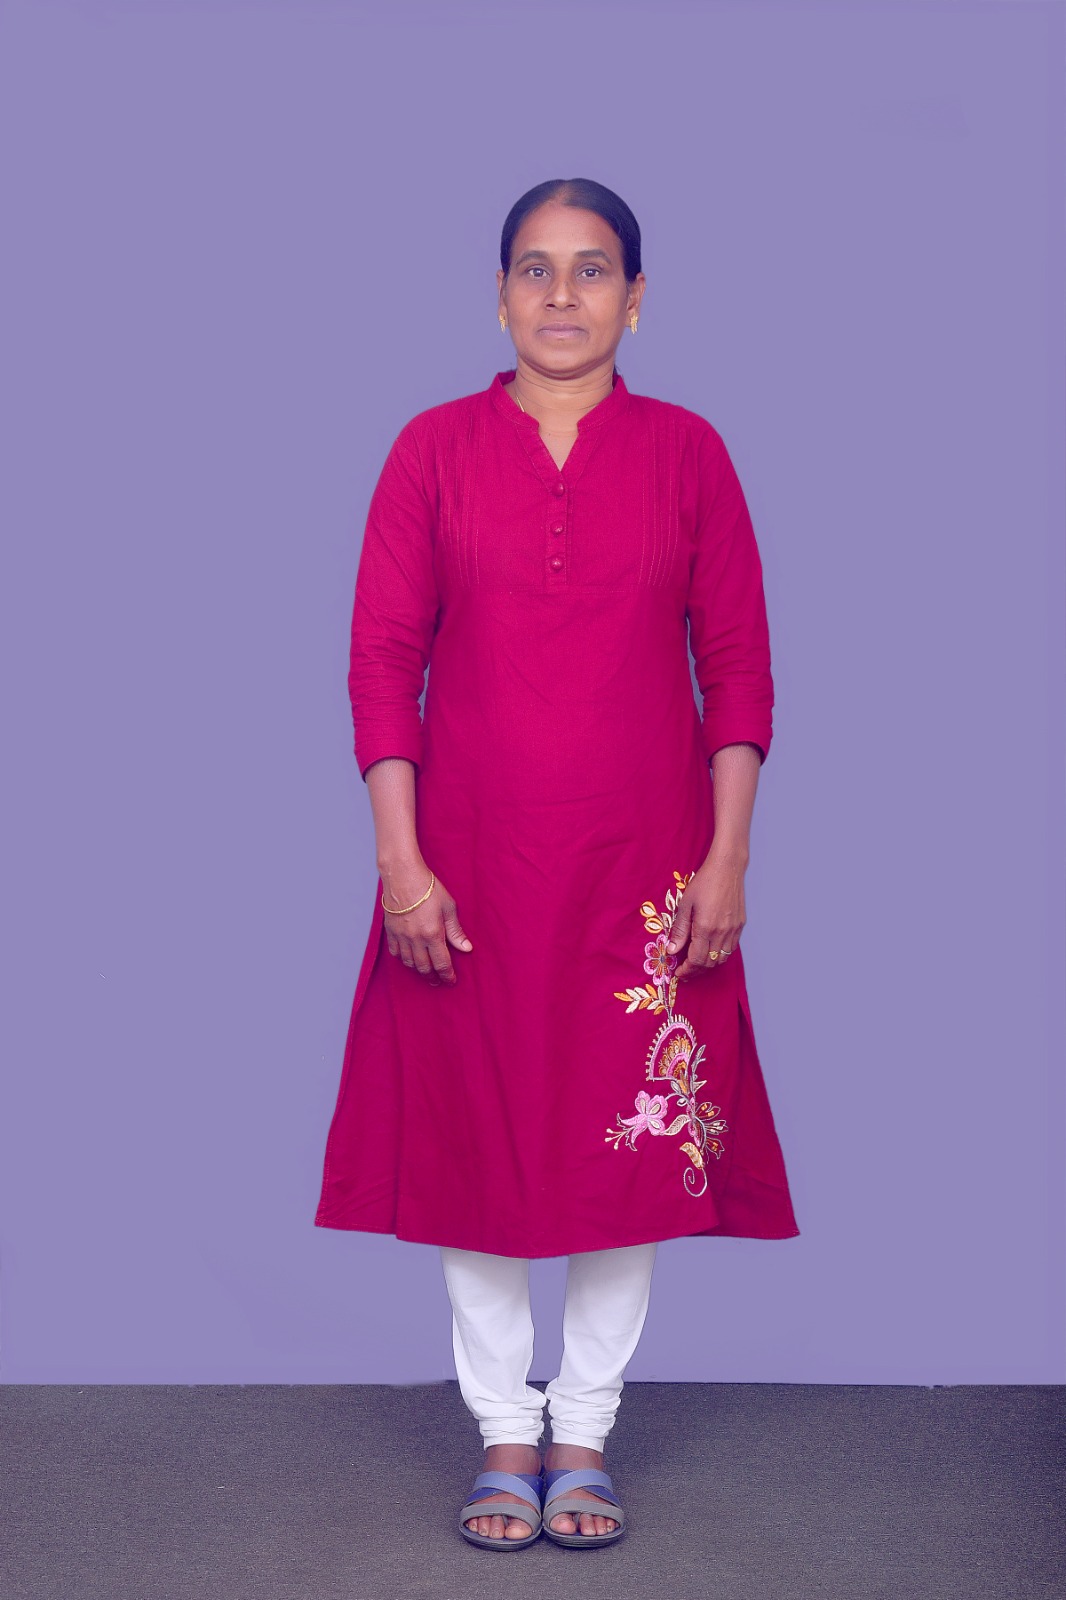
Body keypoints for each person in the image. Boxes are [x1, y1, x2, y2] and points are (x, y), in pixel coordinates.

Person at [314, 177, 800, 1551]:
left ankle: (582, 1427)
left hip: (645, 868)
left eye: (592, 270)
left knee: (622, 1144)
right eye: (535, 268)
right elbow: (382, 663)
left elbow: (739, 667)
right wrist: (401, 865)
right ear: (498, 296)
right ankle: (502, 1431)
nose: (563, 295)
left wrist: (727, 857)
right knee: (472, 1136)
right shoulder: (432, 452)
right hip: (465, 866)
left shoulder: (688, 454)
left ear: (635, 300)